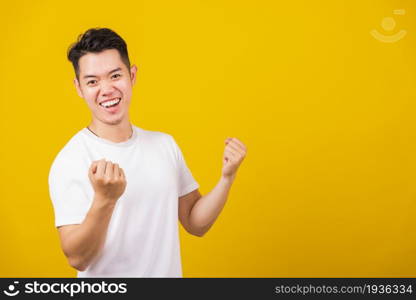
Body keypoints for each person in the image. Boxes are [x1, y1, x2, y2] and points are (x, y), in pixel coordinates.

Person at [48, 28, 247, 277]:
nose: (106, 89)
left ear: (132, 76)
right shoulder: (71, 159)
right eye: (92, 81)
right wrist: (105, 199)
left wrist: (227, 178)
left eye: (115, 75)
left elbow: (195, 223)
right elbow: (77, 258)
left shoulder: (164, 145)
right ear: (79, 88)